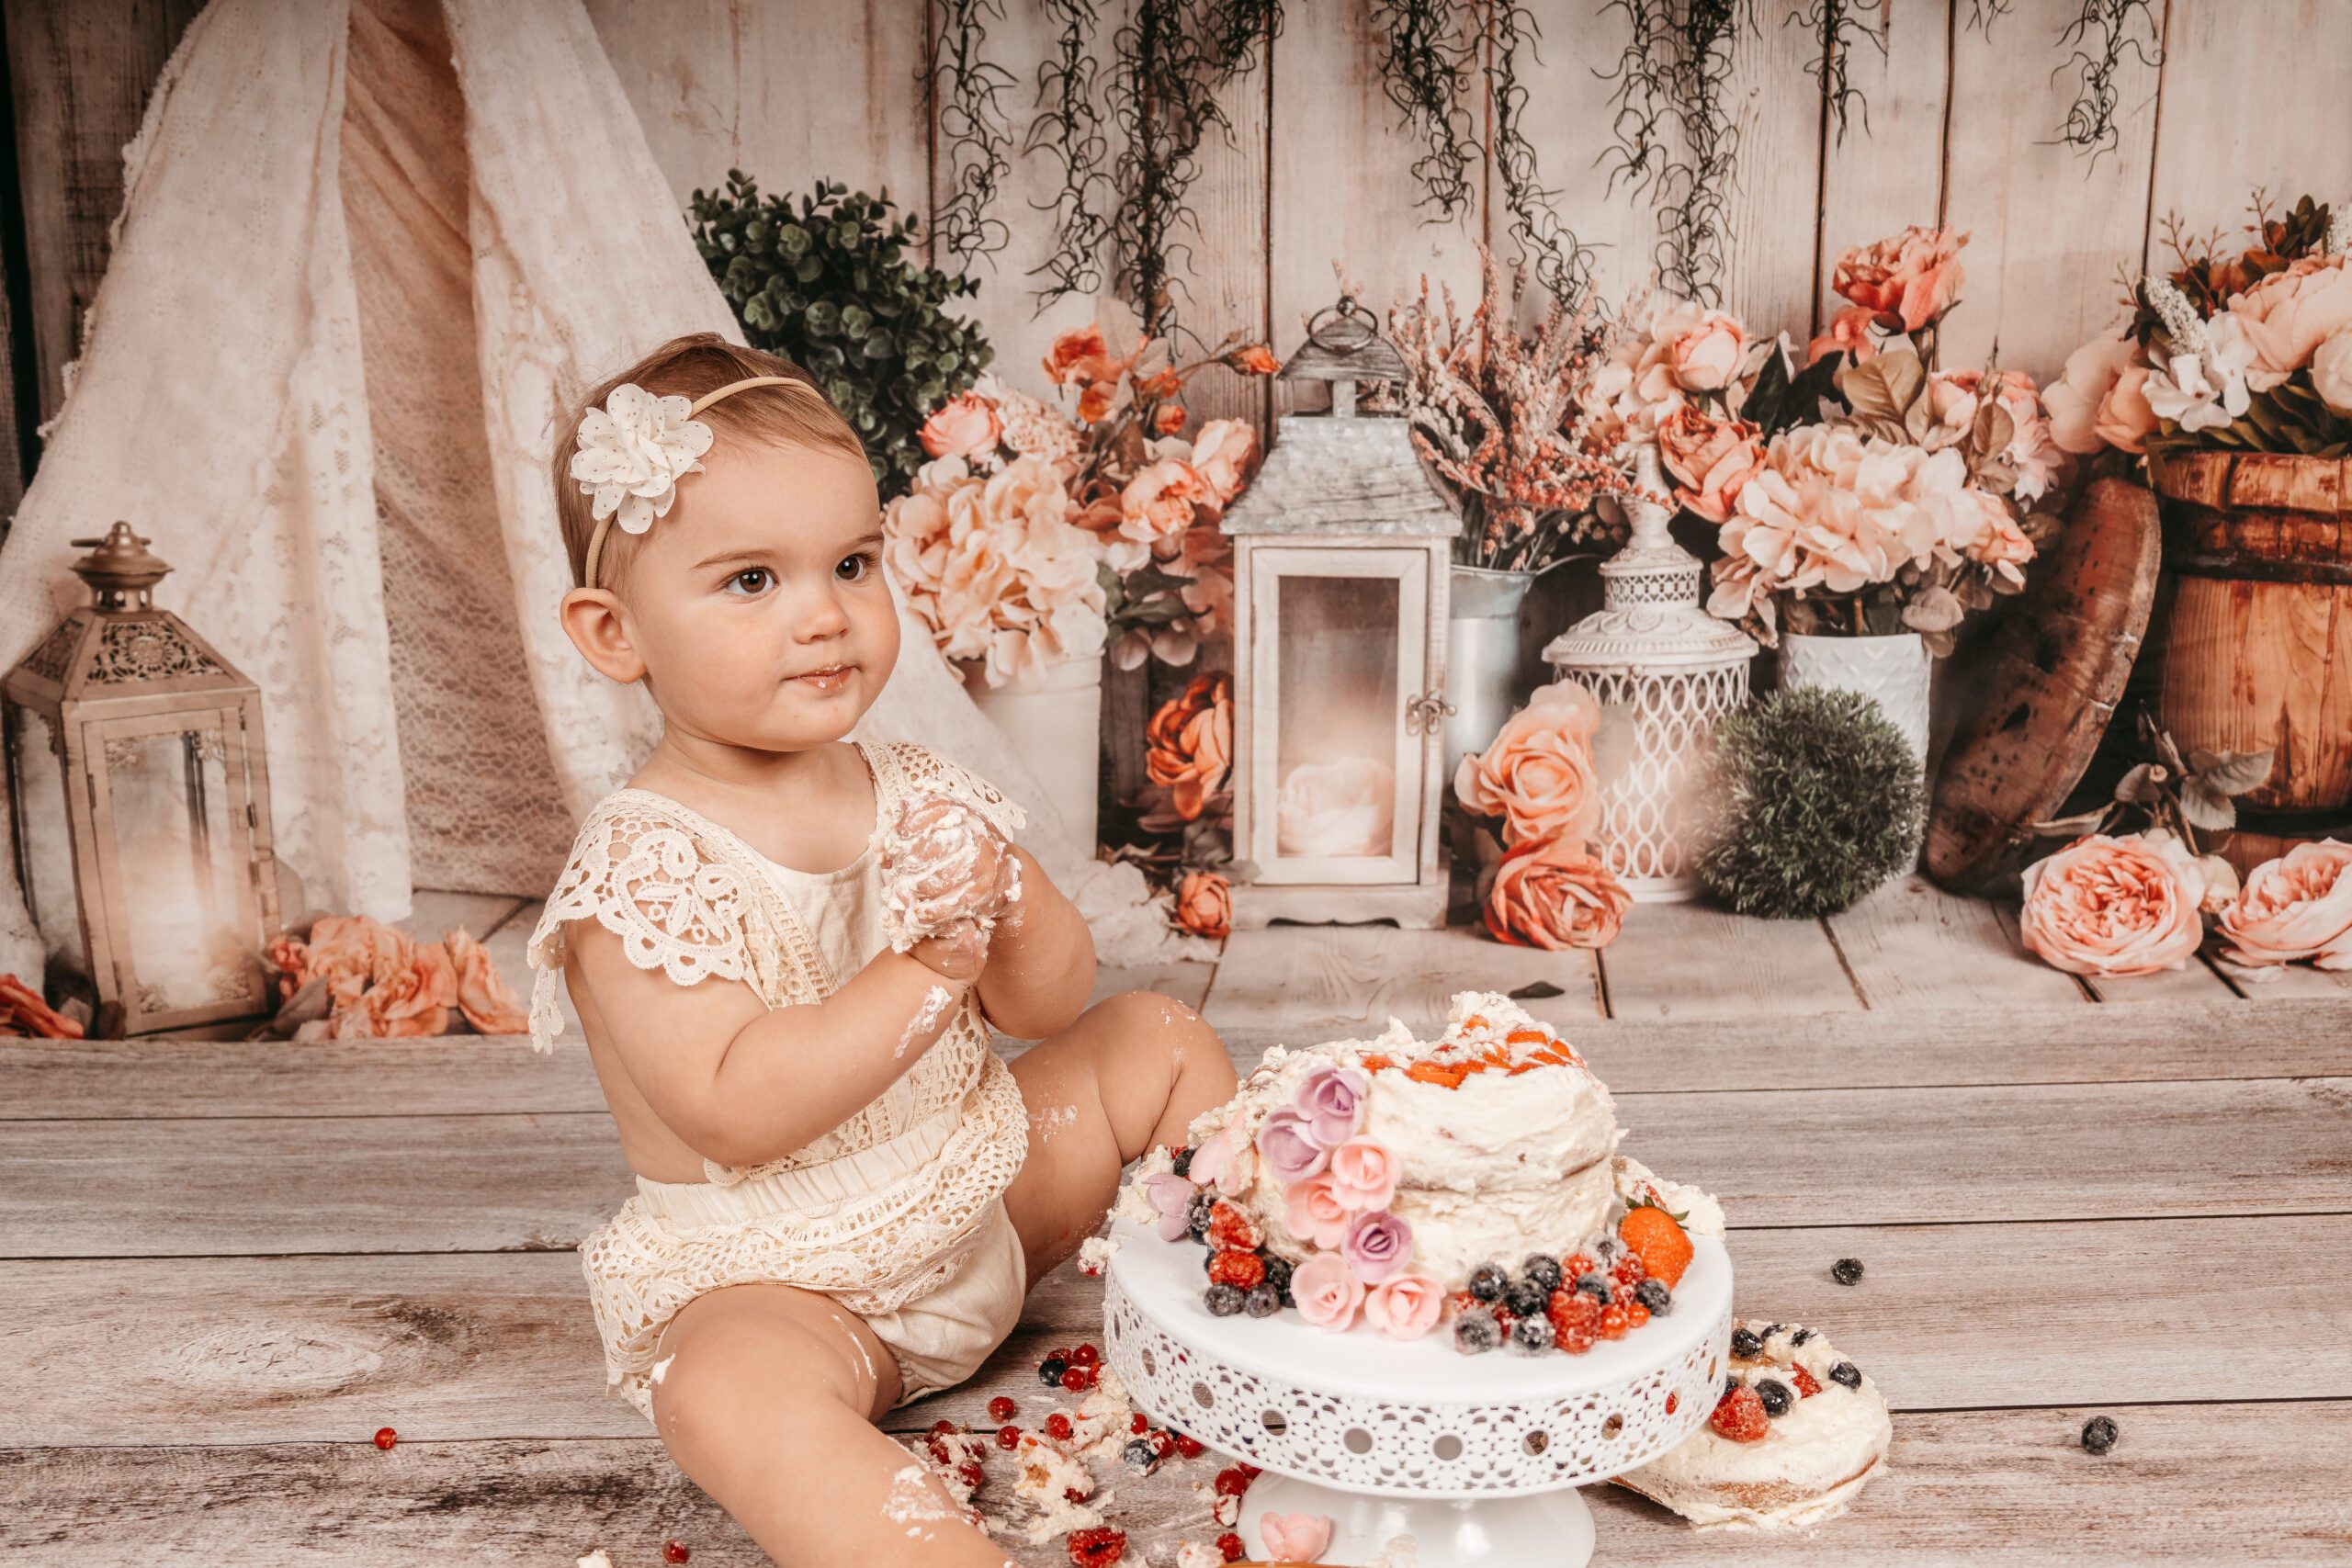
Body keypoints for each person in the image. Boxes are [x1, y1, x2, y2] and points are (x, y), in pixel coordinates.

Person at [523, 333, 1235, 1564]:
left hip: (983, 1199)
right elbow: (733, 1109)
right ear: (612, 631)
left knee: (1155, 1039)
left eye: (851, 564)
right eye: (752, 582)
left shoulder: (912, 787)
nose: (824, 617)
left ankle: (1267, 1304)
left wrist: (1005, 897)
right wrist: (926, 972)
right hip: (795, 1285)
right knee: (722, 1393)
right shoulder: (641, 867)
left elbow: (1053, 1005)